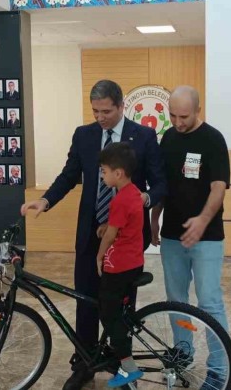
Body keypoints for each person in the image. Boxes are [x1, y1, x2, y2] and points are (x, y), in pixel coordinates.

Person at [21, 79, 166, 390]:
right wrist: (45, 200)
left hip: (126, 240)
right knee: (86, 301)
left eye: (106, 112)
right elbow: (69, 175)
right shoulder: (84, 135)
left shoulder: (143, 136)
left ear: (121, 106)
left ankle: (121, 365)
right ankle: (84, 364)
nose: (100, 117)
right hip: (90, 234)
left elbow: (160, 182)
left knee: (120, 307)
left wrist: (146, 199)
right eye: (95, 111)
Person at [151, 85, 231, 390]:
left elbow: (219, 187)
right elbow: (164, 183)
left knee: (210, 302)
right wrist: (154, 217)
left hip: (207, 237)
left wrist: (202, 221)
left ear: (198, 110)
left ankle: (219, 369)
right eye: (172, 115)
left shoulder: (213, 139)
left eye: (183, 116)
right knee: (176, 300)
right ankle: (183, 351)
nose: (177, 122)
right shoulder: (169, 138)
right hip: (173, 235)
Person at [95, 142, 145, 388]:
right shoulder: (134, 193)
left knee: (108, 313)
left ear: (118, 173)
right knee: (119, 312)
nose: (102, 176)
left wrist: (99, 256)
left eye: (104, 171)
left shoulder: (120, 201)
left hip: (119, 265)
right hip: (135, 261)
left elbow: (111, 235)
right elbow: (125, 224)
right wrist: (109, 226)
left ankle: (128, 366)